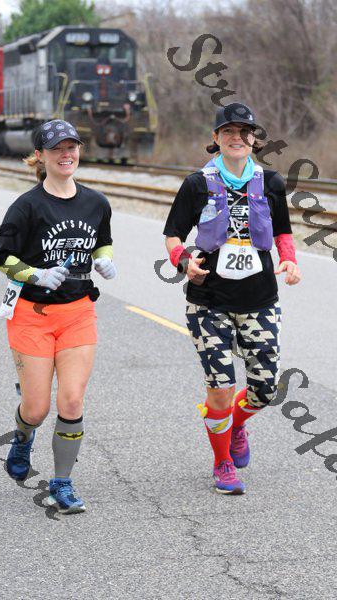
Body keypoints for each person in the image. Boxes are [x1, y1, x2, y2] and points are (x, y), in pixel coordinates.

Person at [163, 102, 301, 495]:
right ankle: (222, 462)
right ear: (216, 138)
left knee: (264, 390)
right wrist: (184, 260)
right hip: (209, 301)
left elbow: (283, 232)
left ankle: (235, 425)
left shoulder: (270, 182)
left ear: (254, 138)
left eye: (244, 132)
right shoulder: (197, 184)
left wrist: (290, 259)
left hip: (260, 299)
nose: (236, 138)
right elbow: (173, 236)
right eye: (228, 132)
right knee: (221, 389)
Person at [0, 119, 116, 513]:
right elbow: (3, 260)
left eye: (71, 147)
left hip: (78, 312)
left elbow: (102, 242)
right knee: (36, 409)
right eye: (57, 148)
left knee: (72, 400)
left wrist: (105, 261)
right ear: (40, 156)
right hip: (31, 315)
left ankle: (62, 484)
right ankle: (23, 435)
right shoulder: (26, 206)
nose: (66, 154)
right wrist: (37, 274)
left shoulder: (96, 203)